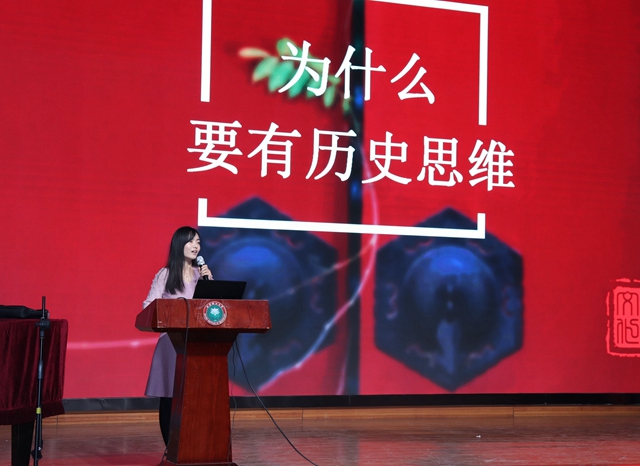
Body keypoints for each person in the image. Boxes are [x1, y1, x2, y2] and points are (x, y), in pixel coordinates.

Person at [142, 226, 212, 446]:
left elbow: (212, 309)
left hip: (198, 343)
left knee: (196, 397)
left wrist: (209, 283)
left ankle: (192, 446)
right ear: (179, 244)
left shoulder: (202, 275)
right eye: (190, 241)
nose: (196, 246)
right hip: (172, 343)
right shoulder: (165, 274)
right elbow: (148, 306)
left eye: (198, 242)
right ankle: (171, 448)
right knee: (170, 396)